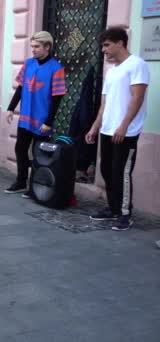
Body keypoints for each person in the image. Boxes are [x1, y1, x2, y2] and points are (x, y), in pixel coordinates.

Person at [85, 27, 150, 231]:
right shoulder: (112, 71)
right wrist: (94, 127)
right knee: (106, 170)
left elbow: (137, 98)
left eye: (107, 45)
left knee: (121, 173)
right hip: (107, 129)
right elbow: (104, 104)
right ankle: (113, 208)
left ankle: (124, 214)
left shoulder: (136, 64)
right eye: (103, 45)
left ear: (120, 43)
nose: (104, 50)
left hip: (126, 131)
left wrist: (124, 126)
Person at [5, 31, 66, 197]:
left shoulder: (56, 68)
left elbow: (57, 98)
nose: (33, 50)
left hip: (42, 121)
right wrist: (11, 108)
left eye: (36, 46)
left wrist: (49, 121)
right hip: (25, 118)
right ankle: (20, 181)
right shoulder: (28, 64)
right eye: (32, 46)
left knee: (39, 156)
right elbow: (20, 88)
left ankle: (34, 187)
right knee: (20, 150)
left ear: (47, 47)